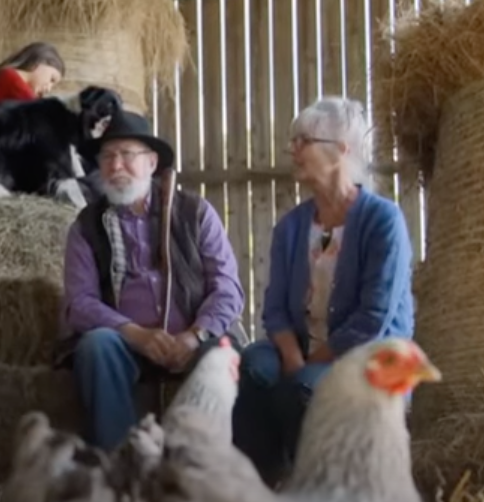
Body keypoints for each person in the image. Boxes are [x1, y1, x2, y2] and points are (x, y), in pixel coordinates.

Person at [231, 96, 415, 486]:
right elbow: (275, 310)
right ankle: (257, 484)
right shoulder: (292, 227)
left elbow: (372, 320)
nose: (293, 150)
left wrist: (310, 362)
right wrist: (293, 354)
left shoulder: (383, 219)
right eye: (292, 141)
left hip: (369, 354)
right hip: (302, 348)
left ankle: (319, 487)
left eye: (304, 140)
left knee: (300, 388)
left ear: (341, 150)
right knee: (254, 365)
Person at [53, 109, 247, 451]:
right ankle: (125, 466)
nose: (115, 167)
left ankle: (203, 470)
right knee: (96, 346)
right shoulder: (86, 226)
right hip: (125, 343)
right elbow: (79, 303)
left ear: (152, 163)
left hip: (193, 338)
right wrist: (136, 334)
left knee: (222, 354)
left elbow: (227, 287)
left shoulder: (194, 212)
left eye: (127, 155)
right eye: (108, 157)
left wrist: (194, 335)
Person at [0, 41, 65, 114]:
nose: (49, 89)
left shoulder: (4, 74)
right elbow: (39, 116)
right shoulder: (10, 77)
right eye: (52, 79)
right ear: (39, 62)